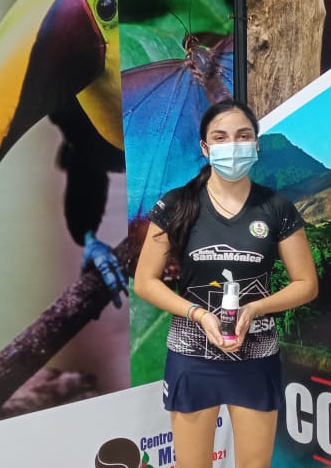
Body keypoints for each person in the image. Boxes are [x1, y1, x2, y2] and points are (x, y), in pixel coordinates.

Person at [134, 99, 319, 467]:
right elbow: (145, 282)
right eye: (220, 137)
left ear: (256, 145)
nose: (232, 145)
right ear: (205, 148)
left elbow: (306, 283)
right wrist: (198, 314)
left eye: (242, 136)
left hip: (256, 354)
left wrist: (255, 309)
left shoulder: (276, 207)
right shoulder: (176, 205)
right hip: (192, 354)